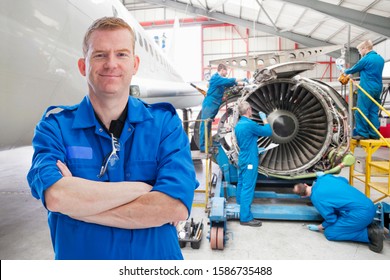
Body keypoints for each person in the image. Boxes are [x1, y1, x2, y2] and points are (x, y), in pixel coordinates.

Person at [26, 17, 198, 260]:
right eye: (99, 55)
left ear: (135, 64)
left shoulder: (164, 125)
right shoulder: (54, 127)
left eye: (121, 54)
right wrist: (143, 191)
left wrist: (77, 209)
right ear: (83, 66)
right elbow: (55, 196)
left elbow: (174, 207)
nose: (111, 64)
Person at [293, 174, 383, 253]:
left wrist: (318, 227)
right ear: (305, 184)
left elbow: (331, 219)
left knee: (330, 233)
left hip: (360, 214)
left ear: (303, 196)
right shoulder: (324, 178)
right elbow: (344, 180)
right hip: (369, 204)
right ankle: (362, 224)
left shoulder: (317, 199)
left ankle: (370, 233)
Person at [234, 101, 272, 227]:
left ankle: (240, 204)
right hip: (250, 159)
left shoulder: (238, 125)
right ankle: (245, 217)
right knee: (248, 186)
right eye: (251, 109)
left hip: (243, 156)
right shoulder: (249, 124)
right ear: (248, 110)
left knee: (241, 181)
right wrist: (264, 119)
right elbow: (267, 131)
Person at [199, 63, 247, 152]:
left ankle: (207, 145)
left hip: (214, 105)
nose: (226, 72)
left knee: (208, 124)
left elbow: (230, 84)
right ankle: (202, 147)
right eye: (226, 71)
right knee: (205, 124)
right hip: (209, 104)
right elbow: (228, 81)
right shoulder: (215, 78)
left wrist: (243, 84)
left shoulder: (219, 80)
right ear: (222, 70)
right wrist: (243, 79)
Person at [343, 40, 385, 140]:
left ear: (365, 48)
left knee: (361, 110)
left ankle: (362, 133)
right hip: (378, 87)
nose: (360, 52)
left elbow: (354, 68)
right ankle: (374, 134)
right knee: (373, 111)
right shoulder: (380, 59)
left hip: (367, 87)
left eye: (360, 50)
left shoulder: (366, 59)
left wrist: (344, 71)